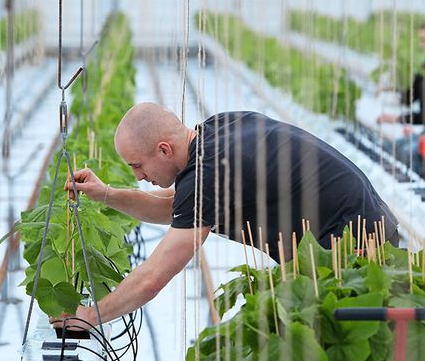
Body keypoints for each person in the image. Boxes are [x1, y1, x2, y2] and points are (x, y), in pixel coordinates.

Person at [58, 103, 400, 328]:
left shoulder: (207, 174)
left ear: (163, 150)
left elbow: (153, 277)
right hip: (364, 222)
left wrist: (89, 316)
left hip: (355, 247)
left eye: (138, 165)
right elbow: (175, 208)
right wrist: (106, 195)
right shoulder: (215, 130)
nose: (138, 176)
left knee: (330, 340)